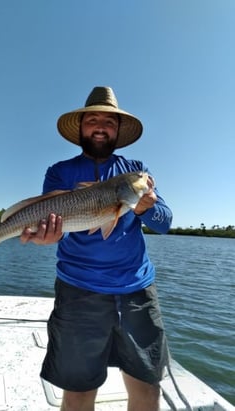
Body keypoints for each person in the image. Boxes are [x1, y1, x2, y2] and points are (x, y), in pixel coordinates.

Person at [21, 86, 173, 411]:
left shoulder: (136, 170)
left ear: (118, 130)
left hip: (137, 291)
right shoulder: (59, 172)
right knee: (77, 394)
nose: (101, 126)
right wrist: (49, 237)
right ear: (81, 127)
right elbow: (54, 227)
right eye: (93, 119)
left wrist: (146, 207)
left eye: (109, 121)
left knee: (148, 388)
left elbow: (165, 222)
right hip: (79, 292)